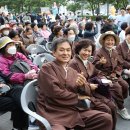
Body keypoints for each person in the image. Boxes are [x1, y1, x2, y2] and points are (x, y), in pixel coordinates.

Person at [37, 38, 113, 130]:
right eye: (61, 50)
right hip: (52, 110)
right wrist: (77, 97)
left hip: (71, 109)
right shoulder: (47, 68)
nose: (65, 53)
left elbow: (84, 90)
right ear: (54, 53)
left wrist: (82, 86)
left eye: (68, 50)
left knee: (105, 119)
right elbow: (54, 92)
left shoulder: (72, 71)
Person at [68, 39, 117, 130]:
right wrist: (89, 86)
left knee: (112, 106)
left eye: (89, 51)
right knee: (106, 109)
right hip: (83, 94)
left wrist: (104, 79)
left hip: (92, 91)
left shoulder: (88, 63)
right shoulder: (73, 64)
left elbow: (97, 72)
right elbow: (75, 83)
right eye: (85, 50)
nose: (87, 53)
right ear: (79, 49)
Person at [93, 31, 130, 120]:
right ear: (103, 41)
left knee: (125, 86)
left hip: (115, 75)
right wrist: (100, 63)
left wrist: (116, 74)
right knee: (117, 88)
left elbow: (119, 64)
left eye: (112, 40)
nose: (110, 42)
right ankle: (121, 108)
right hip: (103, 76)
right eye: (108, 40)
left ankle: (119, 101)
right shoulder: (99, 52)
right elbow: (94, 67)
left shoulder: (114, 51)